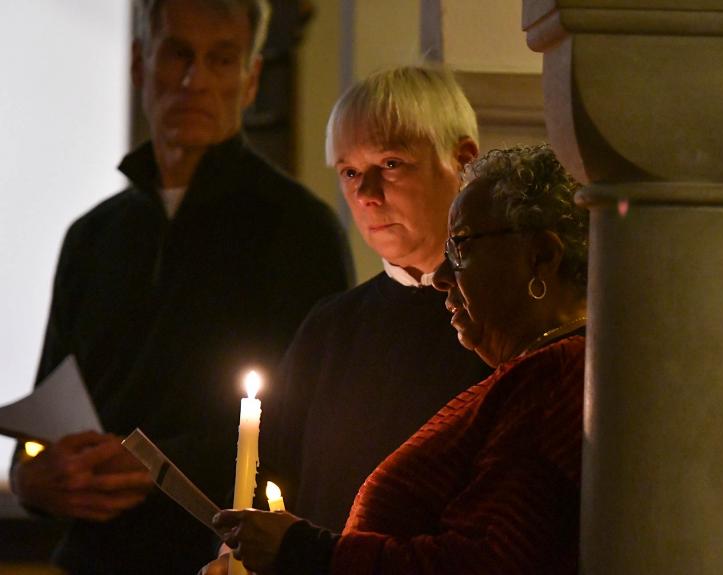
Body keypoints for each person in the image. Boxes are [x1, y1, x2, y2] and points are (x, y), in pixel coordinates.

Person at [9, 1, 352, 573]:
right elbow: (44, 418)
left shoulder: (300, 230)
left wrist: (155, 466)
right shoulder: (91, 238)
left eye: (220, 59)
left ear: (251, 80)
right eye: (178, 54)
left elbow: (312, 427)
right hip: (92, 556)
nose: (196, 80)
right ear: (141, 64)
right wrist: (28, 477)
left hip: (220, 559)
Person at [203, 144, 589, 575]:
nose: (442, 277)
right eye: (348, 171)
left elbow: (484, 563)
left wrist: (305, 551)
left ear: (542, 257)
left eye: (460, 246)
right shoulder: (536, 373)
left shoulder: (557, 378)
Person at [248, 65, 494, 533]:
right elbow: (273, 480)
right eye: (350, 171)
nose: (366, 194)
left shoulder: (504, 322)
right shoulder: (329, 329)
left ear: (463, 161)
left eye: (390, 164)